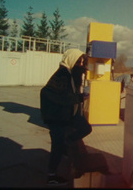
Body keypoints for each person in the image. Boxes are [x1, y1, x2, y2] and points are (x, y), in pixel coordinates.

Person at [40, 48, 92, 186]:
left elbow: (68, 94)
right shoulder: (63, 75)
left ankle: (67, 142)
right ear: (71, 60)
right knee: (56, 146)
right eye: (79, 61)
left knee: (85, 128)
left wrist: (80, 96)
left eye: (82, 61)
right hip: (57, 117)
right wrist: (79, 97)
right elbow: (51, 94)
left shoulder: (70, 74)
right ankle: (52, 176)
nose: (81, 65)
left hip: (66, 115)